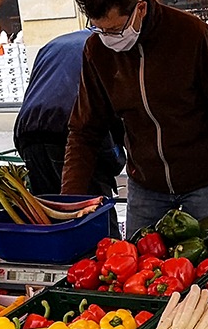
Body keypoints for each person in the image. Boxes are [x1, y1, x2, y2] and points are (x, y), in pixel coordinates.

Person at [61, 0, 208, 239]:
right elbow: (84, 130)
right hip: (145, 189)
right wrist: (69, 203)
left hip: (205, 186)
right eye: (98, 28)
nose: (107, 38)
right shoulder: (96, 51)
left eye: (114, 30)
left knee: (207, 274)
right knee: (135, 274)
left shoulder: (191, 35)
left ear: (140, 9)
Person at [13, 29, 125, 236]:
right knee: (93, 212)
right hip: (73, 131)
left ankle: (60, 260)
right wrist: (115, 157)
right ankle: (105, 255)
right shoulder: (105, 47)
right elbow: (115, 107)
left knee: (51, 214)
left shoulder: (54, 43)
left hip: (29, 131)